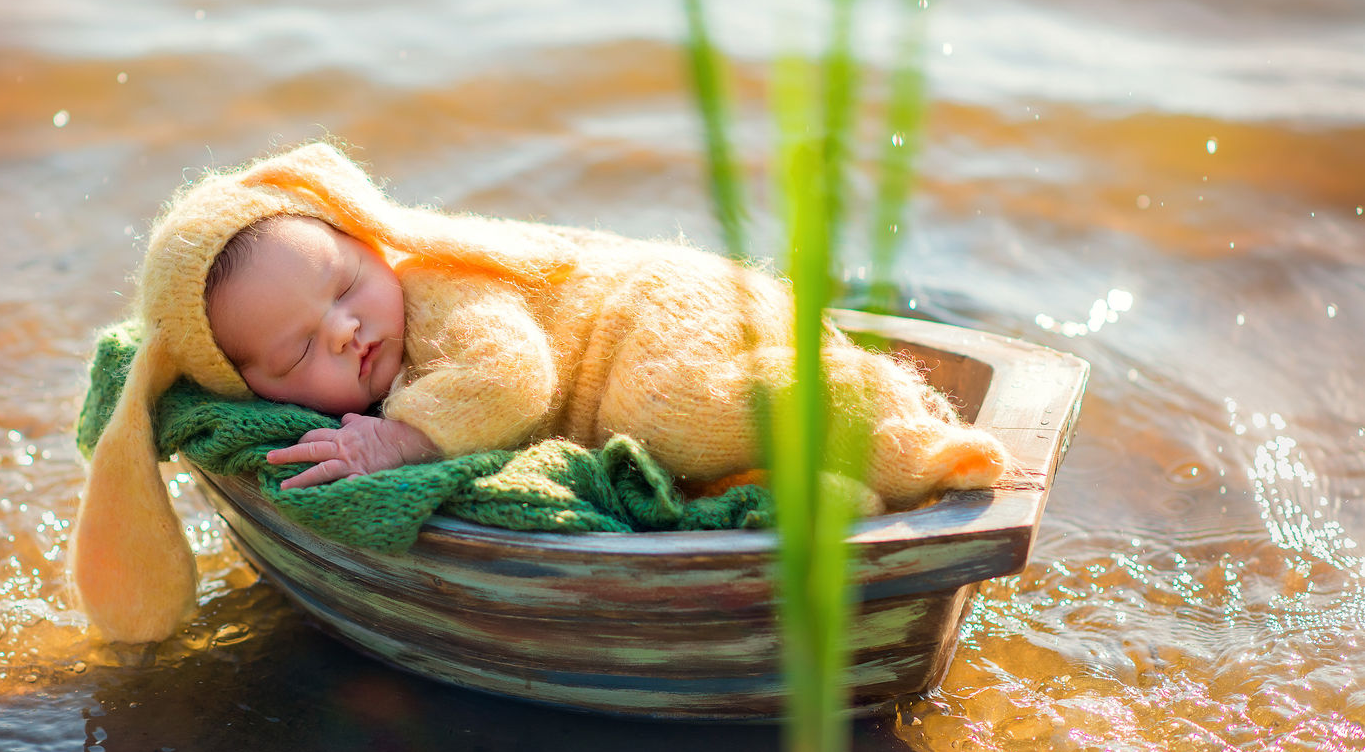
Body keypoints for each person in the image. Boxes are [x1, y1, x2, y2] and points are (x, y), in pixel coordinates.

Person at [70, 141, 1009, 642]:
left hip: (638, 320)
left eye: (348, 287)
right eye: (296, 351)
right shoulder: (328, 348)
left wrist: (400, 439)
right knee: (691, 464)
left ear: (368, 240)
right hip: (628, 354)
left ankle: (897, 437)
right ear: (243, 384)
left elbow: (514, 380)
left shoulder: (440, 293)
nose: (348, 332)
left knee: (675, 413)